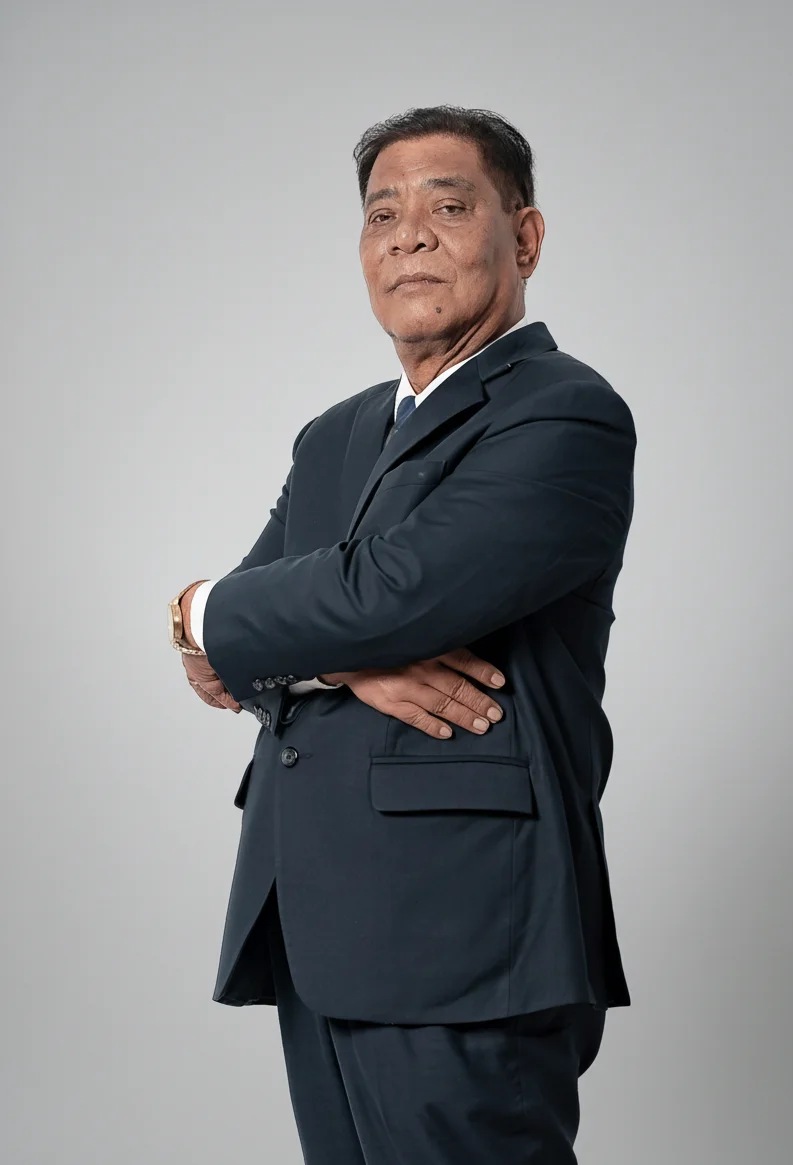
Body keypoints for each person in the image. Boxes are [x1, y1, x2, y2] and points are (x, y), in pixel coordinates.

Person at [167, 104, 637, 1164]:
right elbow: (228, 660)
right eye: (381, 214)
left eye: (448, 206)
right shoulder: (333, 435)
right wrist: (334, 655)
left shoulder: (564, 413)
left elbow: (388, 591)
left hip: (463, 929)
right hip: (313, 912)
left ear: (525, 238)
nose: (408, 235)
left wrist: (200, 605)